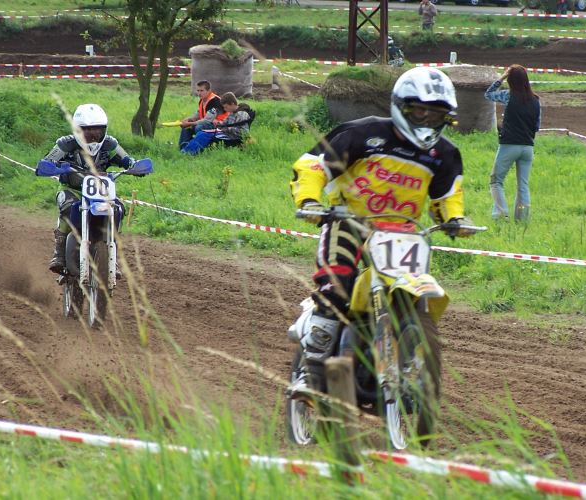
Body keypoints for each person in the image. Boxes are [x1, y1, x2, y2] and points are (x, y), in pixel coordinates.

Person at [289, 67, 472, 393]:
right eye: (420, 111)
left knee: (413, 285)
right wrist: (310, 201)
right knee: (337, 284)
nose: (427, 120)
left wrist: (455, 219)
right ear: (402, 106)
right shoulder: (364, 133)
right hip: (349, 220)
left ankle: (404, 354)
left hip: (404, 233)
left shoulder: (444, 154)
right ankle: (311, 371)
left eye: (436, 115)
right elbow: (314, 164)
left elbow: (446, 196)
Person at [42, 104, 136, 273]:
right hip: (72, 189)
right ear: (78, 130)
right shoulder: (65, 144)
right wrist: (48, 166)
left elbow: (127, 160)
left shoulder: (109, 144)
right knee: (67, 207)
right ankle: (59, 252)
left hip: (101, 193)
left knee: (118, 209)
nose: (93, 136)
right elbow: (47, 160)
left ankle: (112, 256)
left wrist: (136, 166)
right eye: (88, 132)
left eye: (98, 131)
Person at [484, 64, 541, 222]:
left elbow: (488, 94)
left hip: (509, 145)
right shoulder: (536, 100)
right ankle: (522, 219)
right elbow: (537, 126)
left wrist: (501, 77)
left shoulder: (508, 96)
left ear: (510, 80)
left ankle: (502, 215)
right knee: (523, 185)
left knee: (496, 181)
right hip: (528, 147)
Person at [181, 92, 251, 155]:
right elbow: (225, 123)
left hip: (232, 137)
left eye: (226, 107)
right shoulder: (233, 113)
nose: (225, 109)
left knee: (204, 135)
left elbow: (243, 132)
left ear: (232, 104)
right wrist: (218, 123)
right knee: (202, 133)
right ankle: (188, 149)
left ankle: (188, 152)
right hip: (226, 133)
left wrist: (223, 129)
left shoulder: (242, 114)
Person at [178, 80, 224, 150]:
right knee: (187, 127)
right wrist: (189, 119)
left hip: (220, 126)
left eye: (202, 91)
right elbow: (199, 113)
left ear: (209, 91)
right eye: (198, 91)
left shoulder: (214, 101)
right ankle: (184, 147)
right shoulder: (203, 100)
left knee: (199, 127)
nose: (199, 93)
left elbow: (207, 121)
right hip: (209, 124)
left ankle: (198, 148)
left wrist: (190, 123)